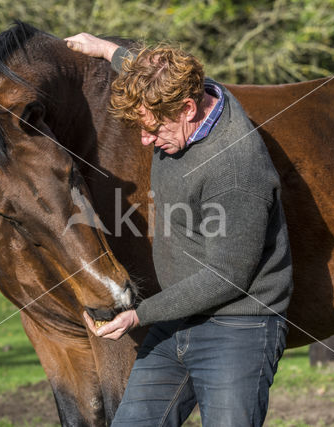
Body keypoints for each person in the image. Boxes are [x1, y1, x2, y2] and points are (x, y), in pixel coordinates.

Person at [65, 33, 293, 427]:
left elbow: (227, 278)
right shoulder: (191, 99)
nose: (145, 139)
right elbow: (153, 73)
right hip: (178, 321)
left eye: (153, 129)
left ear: (188, 108)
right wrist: (105, 50)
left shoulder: (236, 168)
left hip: (237, 329)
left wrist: (139, 316)